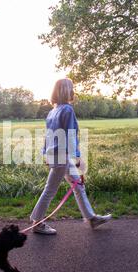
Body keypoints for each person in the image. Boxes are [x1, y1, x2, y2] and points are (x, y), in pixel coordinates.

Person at [30, 78, 112, 235]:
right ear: (67, 91)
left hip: (55, 154)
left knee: (78, 186)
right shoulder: (67, 110)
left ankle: (91, 218)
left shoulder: (52, 111)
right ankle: (37, 223)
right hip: (63, 155)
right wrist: (77, 159)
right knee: (50, 190)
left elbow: (47, 136)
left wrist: (45, 154)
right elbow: (70, 136)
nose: (73, 90)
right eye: (71, 88)